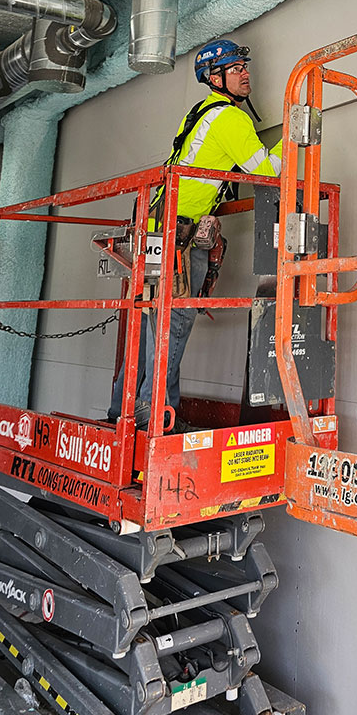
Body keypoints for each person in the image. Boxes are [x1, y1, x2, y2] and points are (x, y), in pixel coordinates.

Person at [109, 38, 283, 429]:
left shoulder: (203, 112)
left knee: (148, 326)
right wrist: (294, 137)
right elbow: (267, 174)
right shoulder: (230, 118)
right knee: (172, 327)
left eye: (244, 66)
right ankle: (157, 418)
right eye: (236, 68)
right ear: (214, 76)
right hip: (177, 235)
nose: (245, 73)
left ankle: (124, 411)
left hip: (156, 227)